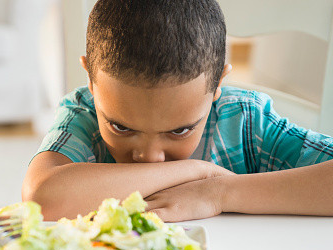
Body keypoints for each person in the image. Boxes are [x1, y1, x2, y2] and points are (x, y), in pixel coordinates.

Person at [22, 0, 333, 221]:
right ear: (90, 79)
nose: (150, 158)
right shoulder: (83, 116)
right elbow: (41, 199)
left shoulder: (244, 123)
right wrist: (199, 172)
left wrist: (220, 192)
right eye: (121, 127)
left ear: (217, 86)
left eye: (180, 130)